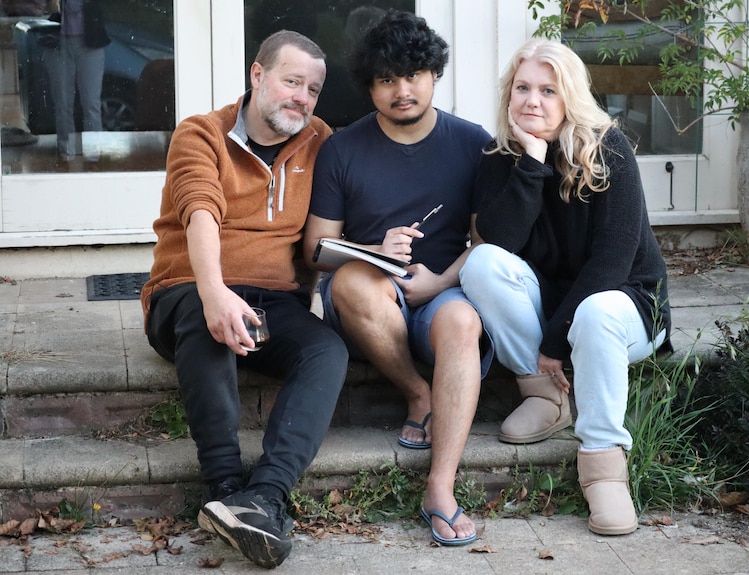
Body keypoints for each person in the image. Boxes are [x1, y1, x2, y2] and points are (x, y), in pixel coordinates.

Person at [140, 30, 348, 569]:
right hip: (186, 290)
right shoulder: (200, 133)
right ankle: (225, 486)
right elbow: (200, 211)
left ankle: (266, 497)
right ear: (258, 76)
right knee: (208, 324)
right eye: (292, 81)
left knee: (327, 351)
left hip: (275, 300)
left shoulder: (322, 140)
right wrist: (215, 294)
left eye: (314, 89)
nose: (302, 97)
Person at [458, 39, 671, 536]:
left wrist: (555, 342)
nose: (533, 101)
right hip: (555, 307)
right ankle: (547, 398)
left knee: (595, 311)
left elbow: (613, 263)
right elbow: (500, 242)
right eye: (523, 88)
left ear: (569, 96)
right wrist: (531, 162)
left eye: (548, 90)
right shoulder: (500, 158)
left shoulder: (608, 149)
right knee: (482, 265)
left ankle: (603, 468)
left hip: (627, 306)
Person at [303, 10, 493, 547]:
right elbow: (316, 249)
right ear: (370, 87)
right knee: (352, 282)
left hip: (441, 292)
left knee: (461, 319)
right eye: (386, 80)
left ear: (434, 74)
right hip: (368, 304)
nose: (401, 90)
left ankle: (441, 486)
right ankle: (420, 395)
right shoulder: (342, 148)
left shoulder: (472, 142)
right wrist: (373, 250)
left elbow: (486, 241)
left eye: (412, 75)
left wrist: (438, 282)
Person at [43, 0, 109, 160]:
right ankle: (66, 151)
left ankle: (93, 153)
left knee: (91, 102)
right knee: (63, 101)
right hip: (61, 43)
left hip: (90, 44)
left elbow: (74, 7)